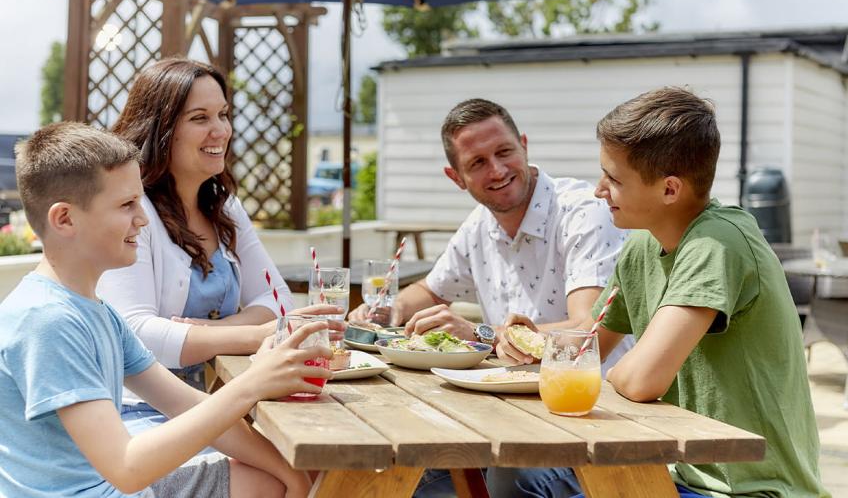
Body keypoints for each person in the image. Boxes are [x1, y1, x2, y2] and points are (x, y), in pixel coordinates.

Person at [510, 87, 831, 497]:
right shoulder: (641, 248)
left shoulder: (718, 243)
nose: (598, 190)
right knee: (514, 474)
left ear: (669, 190)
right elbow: (585, 347)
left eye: (613, 178)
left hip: (744, 487)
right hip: (674, 472)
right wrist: (510, 338)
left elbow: (641, 379)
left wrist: (612, 370)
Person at [0, 121, 330, 497]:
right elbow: (127, 468)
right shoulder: (47, 320)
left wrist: (287, 471)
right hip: (111, 487)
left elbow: (187, 404)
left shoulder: (96, 311)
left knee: (294, 472)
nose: (142, 219)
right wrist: (253, 384)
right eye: (126, 205)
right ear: (65, 219)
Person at [96, 58, 328, 437]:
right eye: (200, 118)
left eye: (223, 114)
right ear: (161, 130)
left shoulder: (224, 207)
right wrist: (258, 334)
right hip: (139, 413)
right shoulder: (134, 212)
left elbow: (279, 301)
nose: (220, 130)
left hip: (212, 406)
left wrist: (207, 329)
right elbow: (138, 334)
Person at [350, 98, 633, 371]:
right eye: (478, 163)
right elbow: (431, 291)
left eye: (504, 152)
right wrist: (389, 309)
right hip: (511, 396)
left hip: (597, 402)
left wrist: (479, 333)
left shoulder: (583, 211)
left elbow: (588, 330)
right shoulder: (478, 225)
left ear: (523, 146)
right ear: (456, 178)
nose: (497, 171)